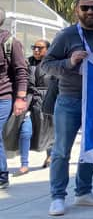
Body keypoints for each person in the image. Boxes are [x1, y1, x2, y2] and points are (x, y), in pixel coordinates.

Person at [42, 0, 93, 216]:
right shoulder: (66, 35)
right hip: (69, 99)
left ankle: (84, 192)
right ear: (77, 11)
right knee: (61, 151)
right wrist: (70, 61)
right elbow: (46, 65)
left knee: (91, 149)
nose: (90, 12)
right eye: (85, 8)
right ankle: (57, 196)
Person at [0, 7, 29, 189]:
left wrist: (20, 98)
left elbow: (21, 71)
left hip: (3, 96)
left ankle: (2, 174)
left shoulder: (10, 42)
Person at [29, 40, 57, 169]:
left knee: (50, 129)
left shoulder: (52, 64)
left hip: (49, 98)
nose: (36, 50)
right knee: (35, 129)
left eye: (39, 48)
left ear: (48, 49)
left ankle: (51, 155)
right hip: (32, 99)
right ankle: (24, 160)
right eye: (34, 47)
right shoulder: (28, 62)